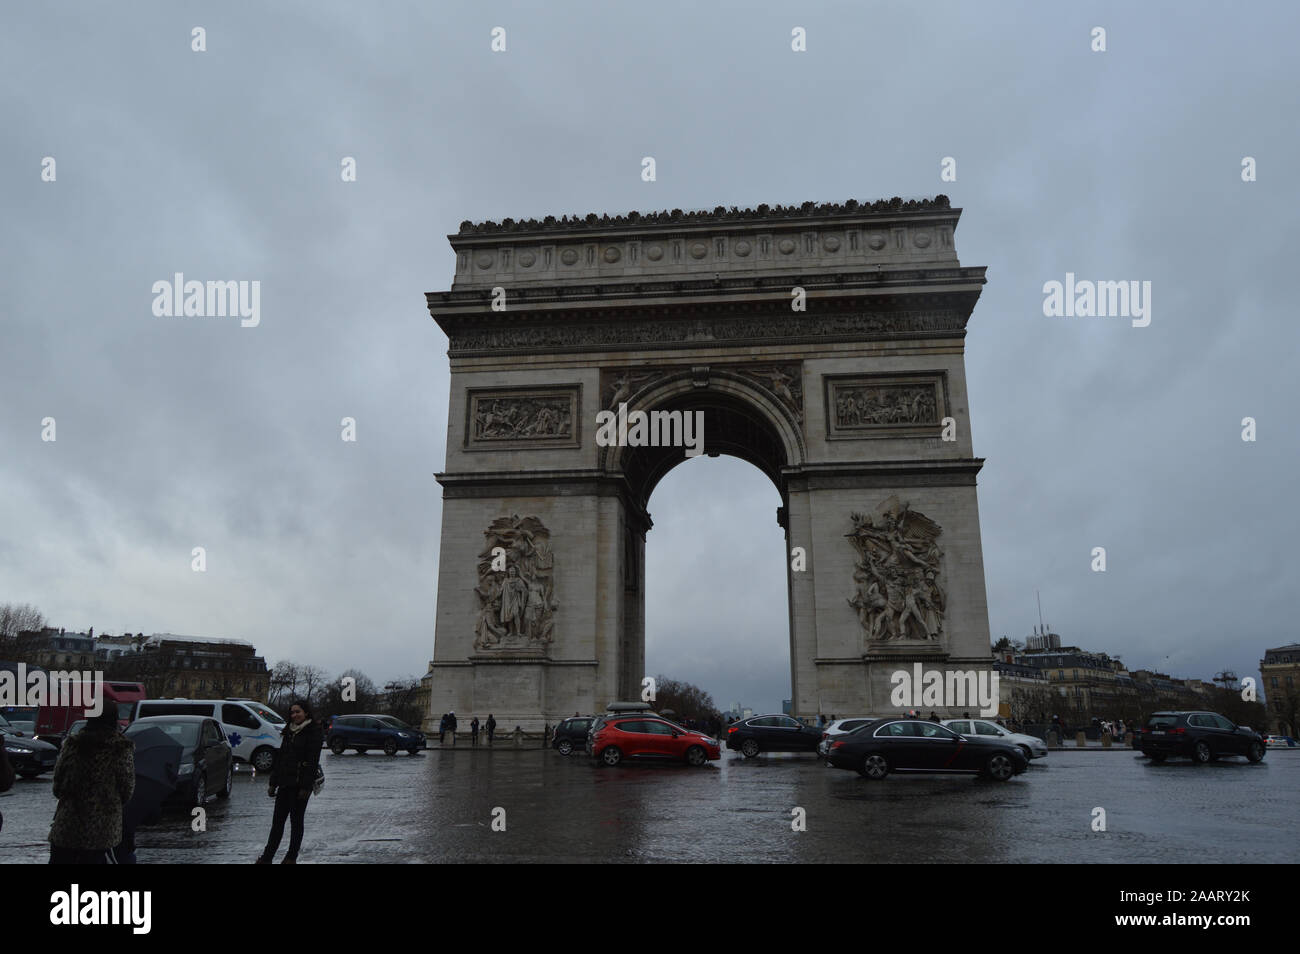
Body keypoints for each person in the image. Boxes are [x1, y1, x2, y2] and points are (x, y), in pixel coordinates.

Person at [48, 707, 134, 864]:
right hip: (102, 829)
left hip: (68, 825)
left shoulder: (73, 744)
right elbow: (126, 789)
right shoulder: (120, 748)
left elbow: (58, 784)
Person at [256, 699, 322, 864]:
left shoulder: (313, 731)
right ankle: (267, 857)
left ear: (306, 712)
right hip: (285, 783)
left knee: (296, 823)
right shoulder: (289, 731)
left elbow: (312, 761)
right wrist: (273, 782)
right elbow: (280, 759)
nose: (294, 715)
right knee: (277, 823)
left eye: (298, 712)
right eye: (292, 712)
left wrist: (306, 787)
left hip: (300, 785)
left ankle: (291, 857)